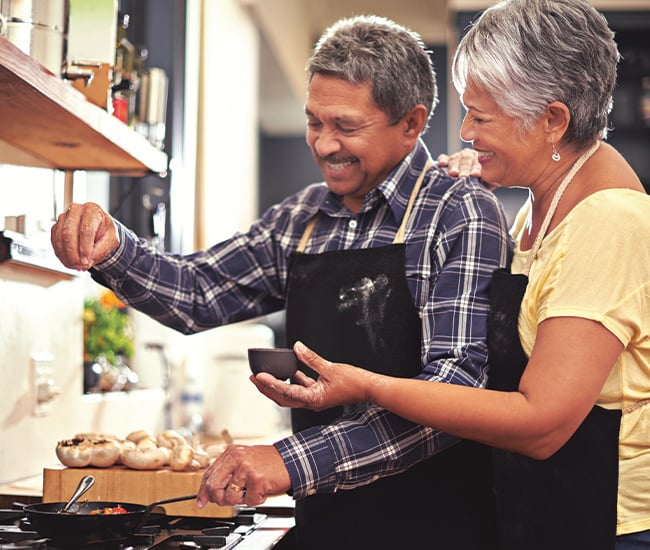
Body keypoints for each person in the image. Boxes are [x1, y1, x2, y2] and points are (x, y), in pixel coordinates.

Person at [51, 14, 510, 550]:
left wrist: (289, 461)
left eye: (346, 126)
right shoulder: (301, 219)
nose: (324, 144)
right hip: (326, 524)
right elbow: (199, 291)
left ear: (411, 123)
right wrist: (114, 248)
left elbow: (454, 393)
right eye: (314, 122)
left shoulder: (460, 213)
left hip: (435, 528)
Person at [251, 1, 650, 550]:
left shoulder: (608, 222)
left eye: (481, 118)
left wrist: (367, 385)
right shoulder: (539, 206)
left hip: (612, 526)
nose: (464, 132)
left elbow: (540, 423)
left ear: (553, 120)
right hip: (545, 509)